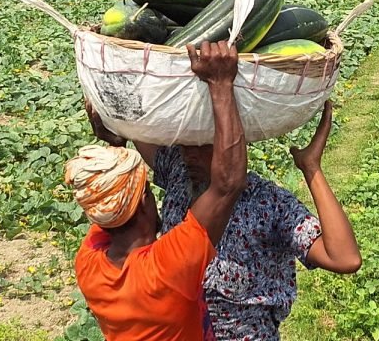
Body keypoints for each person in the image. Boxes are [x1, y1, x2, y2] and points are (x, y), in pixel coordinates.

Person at [86, 84, 362, 339]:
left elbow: (344, 258)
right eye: (184, 143)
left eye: (203, 144)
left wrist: (311, 168)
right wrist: (115, 129)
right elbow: (136, 135)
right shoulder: (179, 176)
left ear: (233, 146)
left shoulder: (268, 204)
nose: (188, 154)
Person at [68, 40, 248, 340]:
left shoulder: (89, 265)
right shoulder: (166, 269)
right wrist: (220, 82)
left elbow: (110, 199)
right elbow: (228, 184)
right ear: (142, 202)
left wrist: (117, 143)